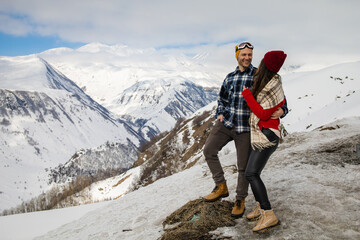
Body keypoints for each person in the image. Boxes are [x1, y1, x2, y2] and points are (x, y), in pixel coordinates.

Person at [203, 42, 288, 219]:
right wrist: (220, 113)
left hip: (246, 128)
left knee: (243, 167)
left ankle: (240, 199)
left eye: (250, 54)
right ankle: (221, 186)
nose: (247, 58)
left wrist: (283, 110)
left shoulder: (260, 75)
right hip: (226, 123)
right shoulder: (229, 77)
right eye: (244, 55)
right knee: (209, 150)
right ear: (237, 56)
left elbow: (279, 97)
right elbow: (222, 99)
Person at [241, 50, 287, 233]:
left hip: (267, 135)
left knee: (251, 174)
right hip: (262, 133)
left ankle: (268, 214)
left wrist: (247, 95)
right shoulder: (266, 80)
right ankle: (261, 207)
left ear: (266, 64)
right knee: (253, 172)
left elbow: (263, 113)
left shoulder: (272, 85)